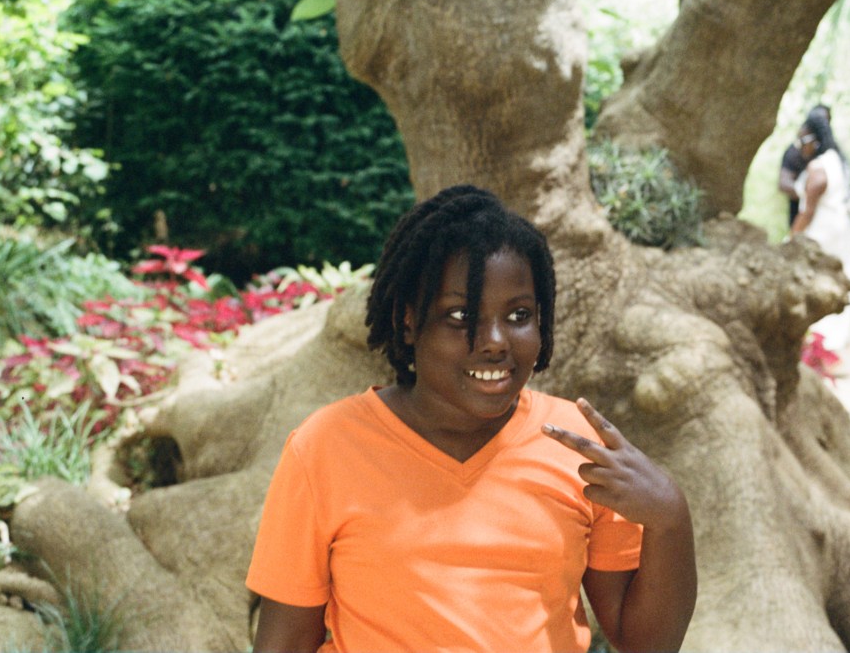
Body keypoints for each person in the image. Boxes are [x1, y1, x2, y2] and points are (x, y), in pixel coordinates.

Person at [246, 185, 697, 652]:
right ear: (407, 321)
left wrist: (670, 516)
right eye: (461, 315)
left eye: (518, 315)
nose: (495, 341)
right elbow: (284, 643)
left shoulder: (577, 446)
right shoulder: (326, 447)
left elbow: (645, 643)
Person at [790, 109, 850, 351]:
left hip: (821, 228)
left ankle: (816, 341)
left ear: (814, 140)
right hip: (841, 228)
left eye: (803, 141)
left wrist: (793, 235)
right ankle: (829, 342)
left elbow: (808, 208)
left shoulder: (819, 165)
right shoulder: (837, 160)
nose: (801, 148)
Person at [779, 104, 832, 227]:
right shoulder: (795, 150)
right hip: (799, 213)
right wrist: (807, 192)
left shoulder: (831, 155)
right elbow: (783, 183)